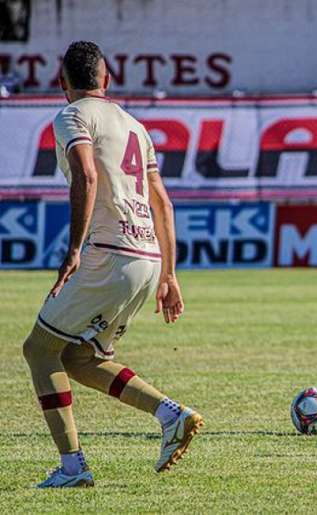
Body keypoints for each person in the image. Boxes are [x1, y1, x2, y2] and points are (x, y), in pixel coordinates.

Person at [22, 41, 203, 488]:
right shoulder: (136, 127)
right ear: (108, 80)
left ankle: (72, 467)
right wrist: (170, 274)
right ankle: (170, 414)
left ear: (61, 83)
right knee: (79, 357)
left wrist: (74, 249)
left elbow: (86, 174)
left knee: (39, 350)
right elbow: (162, 201)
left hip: (108, 252)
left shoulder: (71, 115)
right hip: (146, 259)